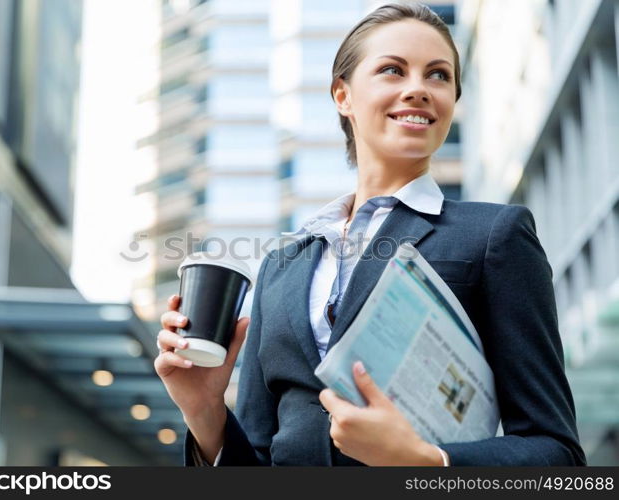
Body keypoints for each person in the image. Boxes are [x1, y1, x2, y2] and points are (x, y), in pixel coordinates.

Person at [154, 3, 586, 466]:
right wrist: (204, 411)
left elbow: (557, 456)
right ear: (343, 95)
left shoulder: (494, 235)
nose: (419, 89)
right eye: (392, 70)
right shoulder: (282, 264)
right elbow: (260, 458)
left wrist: (423, 460)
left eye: (438, 76)